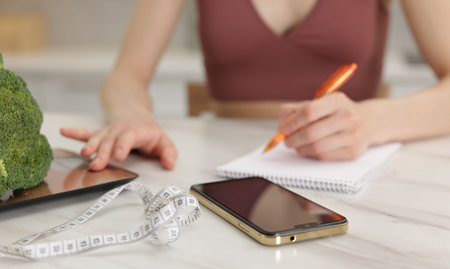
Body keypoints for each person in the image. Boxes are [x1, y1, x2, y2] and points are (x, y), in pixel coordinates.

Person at [60, 0, 450, 171]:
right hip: (223, 171)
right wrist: (133, 115)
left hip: (351, 170)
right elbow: (125, 76)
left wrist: (372, 122)